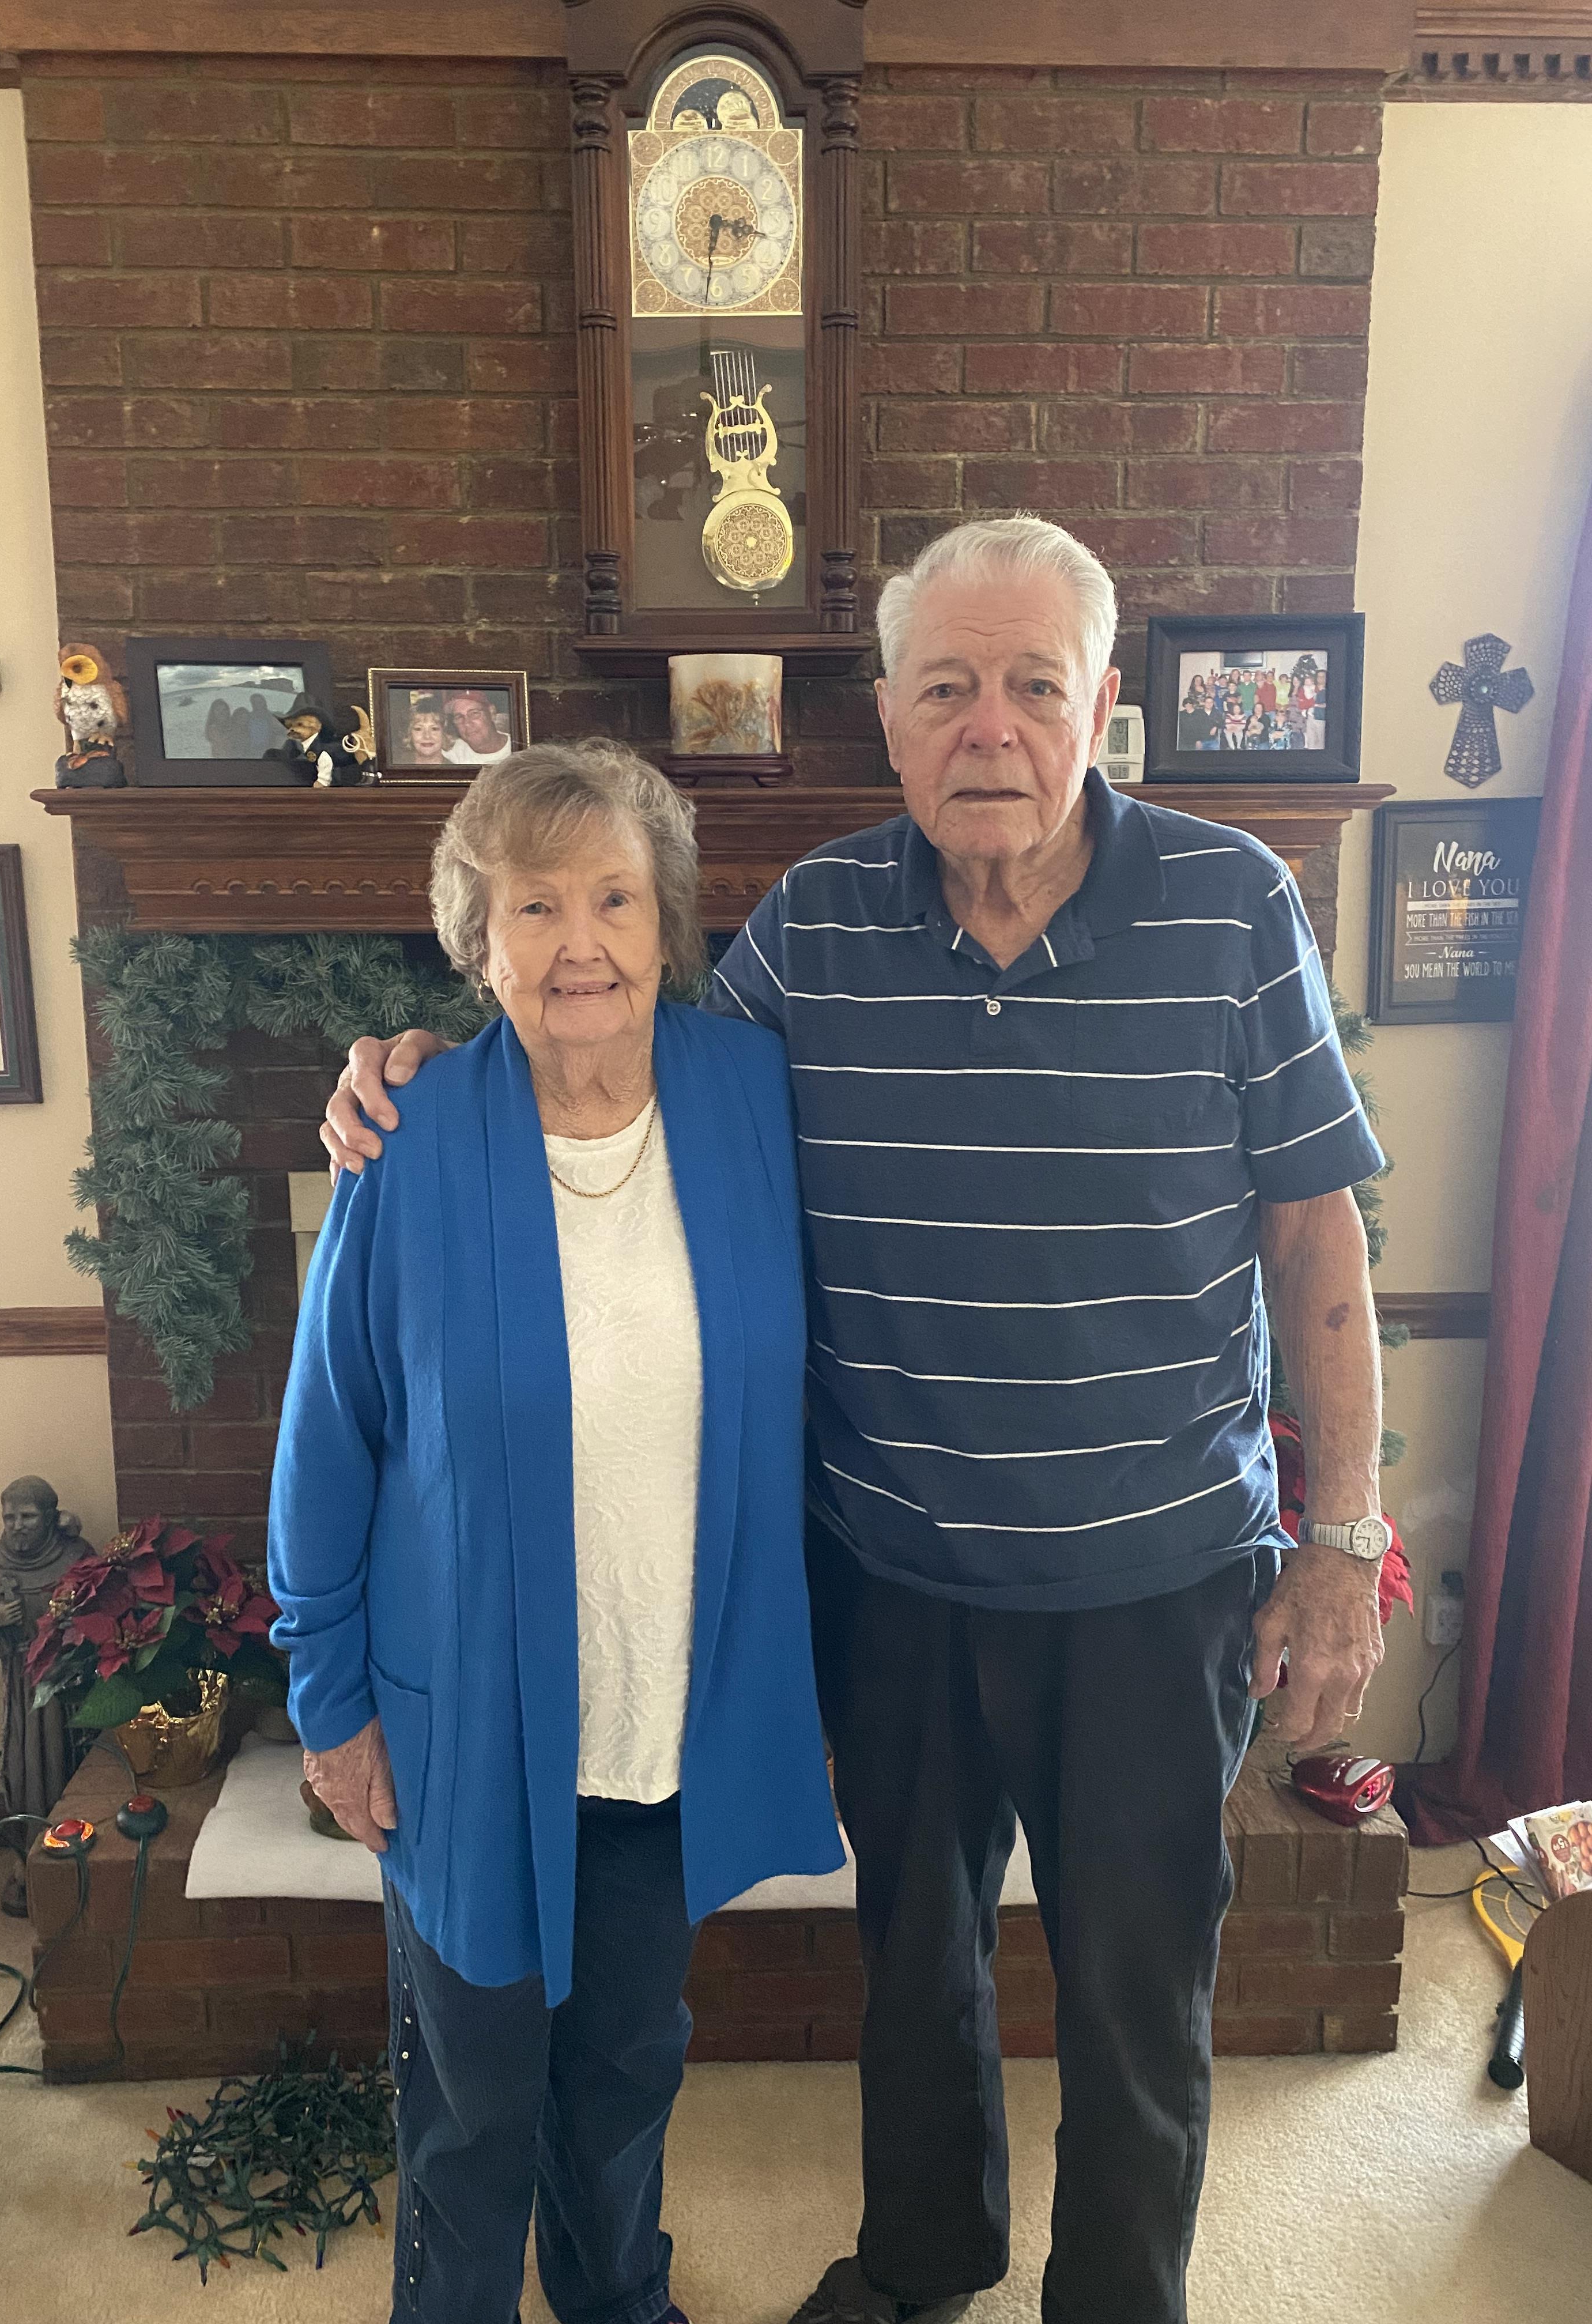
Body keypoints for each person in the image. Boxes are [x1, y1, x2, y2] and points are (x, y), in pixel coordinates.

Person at [323, 517, 1389, 2324]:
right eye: (948, 688)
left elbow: (1315, 1235)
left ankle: (1116, 2303)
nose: (991, 727)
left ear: (1100, 707)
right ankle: (921, 2263)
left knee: (1141, 1995)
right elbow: (626, 1069)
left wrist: (1344, 1541)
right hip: (892, 1579)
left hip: (1157, 1585)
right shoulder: (815, 930)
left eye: (1033, 686)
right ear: (890, 723)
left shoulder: (1233, 906)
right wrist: (426, 1068)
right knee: (918, 1970)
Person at [271, 743, 842, 2324]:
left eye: (614, 897)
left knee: (627, 2078)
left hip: (669, 1713)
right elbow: (329, 1438)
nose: (580, 940)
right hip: (468, 1735)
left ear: (668, 924)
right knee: (475, 2109)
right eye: (537, 904)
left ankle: (621, 2306)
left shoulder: (753, 1103)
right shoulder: (413, 1134)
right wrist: (330, 1707)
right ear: (480, 939)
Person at [0, 1476, 87, 1915]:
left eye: (28, 1516)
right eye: (9, 1517)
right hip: (22, 1688)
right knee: (25, 1768)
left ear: (51, 1518)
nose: (16, 1526)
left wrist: (71, 1626)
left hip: (70, 1687)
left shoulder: (76, 1556)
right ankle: (29, 1859)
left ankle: (76, 1855)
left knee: (70, 1763)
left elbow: (106, 1609)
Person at [443, 688, 513, 765]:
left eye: (474, 713)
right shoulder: (452, 754)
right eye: (459, 717)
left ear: (492, 713)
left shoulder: (519, 748)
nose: (467, 723)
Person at [398, 691, 451, 768]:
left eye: (434, 729)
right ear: (409, 734)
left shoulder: (460, 774)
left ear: (445, 733)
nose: (427, 736)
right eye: (419, 729)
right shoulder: (397, 767)